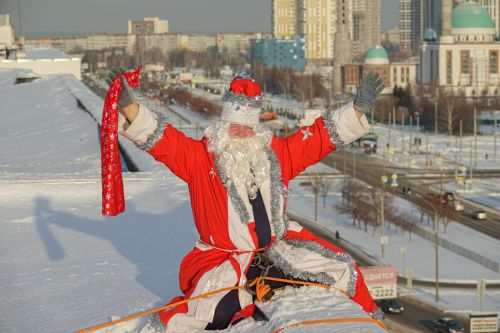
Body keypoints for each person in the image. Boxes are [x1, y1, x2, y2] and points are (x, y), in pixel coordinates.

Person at [105, 68, 385, 332]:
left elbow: (318, 138)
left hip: (278, 247)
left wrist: (357, 108)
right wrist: (129, 104)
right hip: (224, 258)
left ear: (257, 129)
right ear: (224, 124)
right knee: (205, 314)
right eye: (235, 127)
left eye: (248, 128)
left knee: (343, 268)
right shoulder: (200, 160)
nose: (241, 134)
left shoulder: (277, 155)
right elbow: (163, 140)